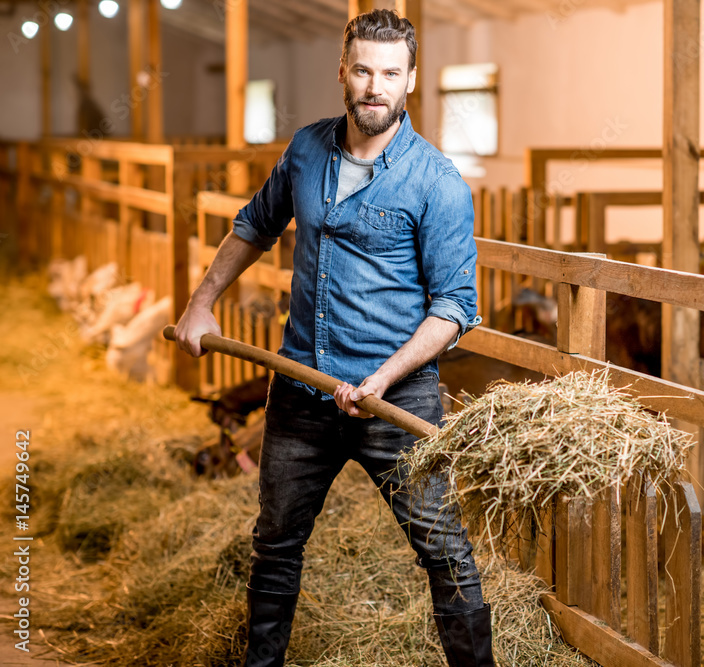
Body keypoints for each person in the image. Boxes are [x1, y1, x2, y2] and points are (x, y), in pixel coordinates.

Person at [173, 10, 493, 667]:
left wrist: (380, 379)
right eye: (364, 70)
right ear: (342, 72)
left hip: (395, 403)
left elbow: (455, 307)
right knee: (276, 540)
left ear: (410, 81)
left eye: (391, 74)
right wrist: (201, 303)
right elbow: (254, 226)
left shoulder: (437, 182)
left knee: (444, 550)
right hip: (300, 392)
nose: (376, 86)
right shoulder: (306, 150)